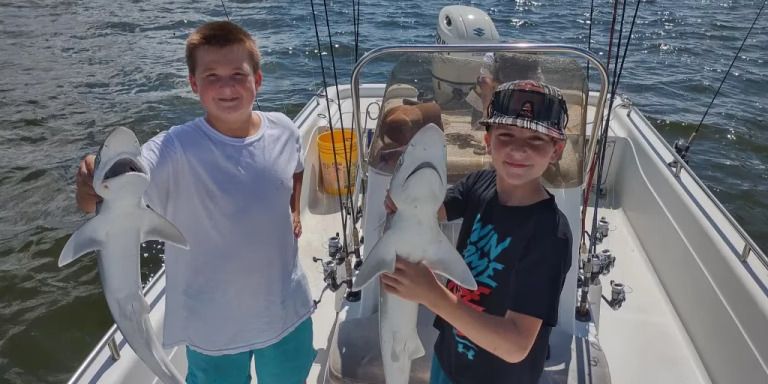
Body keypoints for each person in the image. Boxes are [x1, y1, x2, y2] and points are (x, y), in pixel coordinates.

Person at [74, 21, 315, 384]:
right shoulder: (173, 149)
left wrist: (294, 210)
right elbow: (116, 188)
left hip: (286, 313)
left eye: (238, 73)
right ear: (193, 85)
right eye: (212, 75)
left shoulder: (286, 129)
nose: (227, 86)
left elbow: (295, 170)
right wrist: (91, 184)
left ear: (258, 80)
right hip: (213, 330)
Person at [382, 80, 573, 384]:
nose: (518, 149)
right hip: (448, 360)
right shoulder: (479, 184)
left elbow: (515, 345)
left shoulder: (550, 234)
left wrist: (432, 296)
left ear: (556, 150)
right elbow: (432, 212)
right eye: (506, 135)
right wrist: (405, 199)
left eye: (536, 139)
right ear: (487, 141)